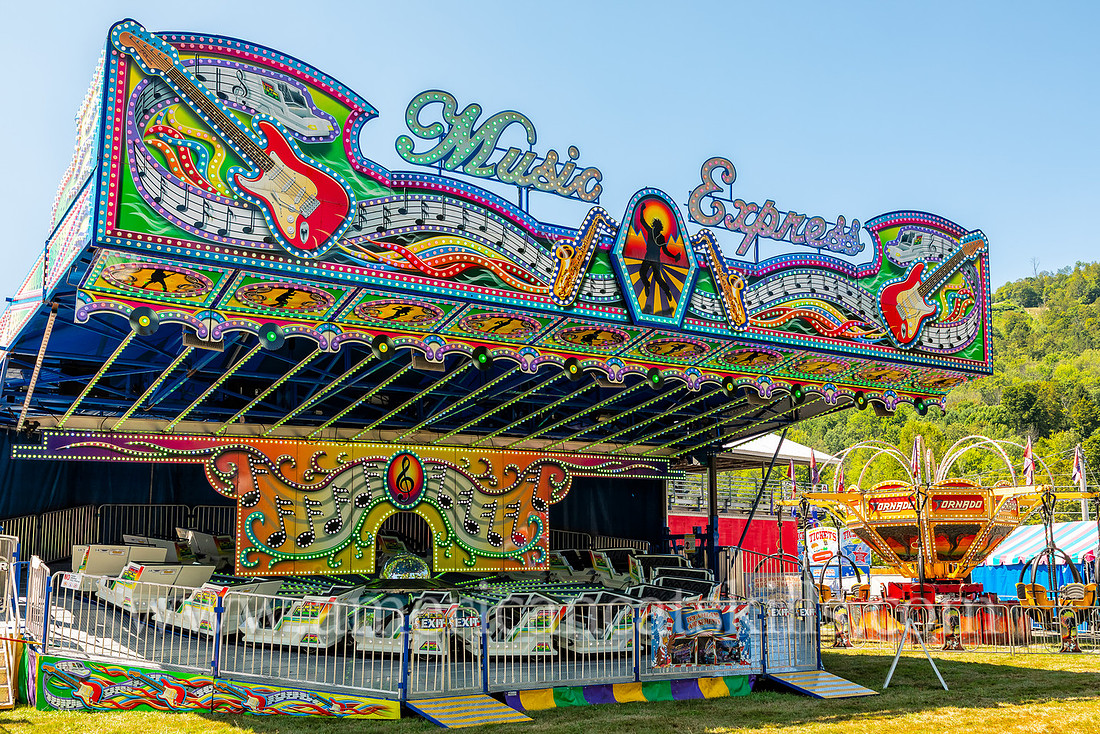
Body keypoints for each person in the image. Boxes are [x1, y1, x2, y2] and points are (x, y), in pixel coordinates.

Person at [637, 204, 682, 314]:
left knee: (656, 277)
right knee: (642, 273)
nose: (657, 228)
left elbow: (665, 251)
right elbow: (642, 221)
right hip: (651, 257)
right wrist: (642, 210)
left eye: (657, 226)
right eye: (656, 226)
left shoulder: (659, 236)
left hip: (654, 259)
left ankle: (667, 292)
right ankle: (648, 285)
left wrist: (674, 256)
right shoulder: (651, 231)